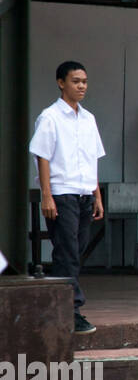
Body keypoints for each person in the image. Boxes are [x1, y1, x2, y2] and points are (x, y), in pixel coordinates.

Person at [29, 61, 106, 335]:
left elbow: (92, 160)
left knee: (74, 252)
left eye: (84, 81)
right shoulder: (50, 117)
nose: (82, 86)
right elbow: (42, 156)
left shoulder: (89, 119)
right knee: (67, 253)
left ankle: (54, 307)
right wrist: (46, 196)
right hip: (62, 194)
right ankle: (70, 312)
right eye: (76, 81)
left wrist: (97, 195)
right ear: (61, 83)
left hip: (85, 194)